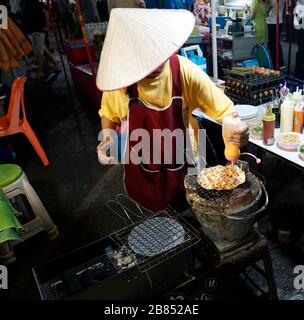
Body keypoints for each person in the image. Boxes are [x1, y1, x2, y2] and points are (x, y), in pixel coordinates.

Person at [96, 9, 249, 212]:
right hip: (143, 166)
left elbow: (225, 110)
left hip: (185, 161)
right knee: (152, 221)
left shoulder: (184, 71)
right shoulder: (123, 82)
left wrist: (236, 127)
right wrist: (107, 139)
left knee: (191, 215)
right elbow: (108, 113)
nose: (157, 62)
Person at [22, 0, 61, 79]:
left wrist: (47, 26)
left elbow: (45, 12)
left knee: (38, 53)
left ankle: (40, 72)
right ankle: (56, 65)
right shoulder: (28, 3)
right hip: (35, 30)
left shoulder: (33, 2)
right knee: (44, 50)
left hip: (38, 30)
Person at [267, 0, 285, 68]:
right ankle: (280, 63)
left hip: (275, 22)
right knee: (274, 43)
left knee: (273, 44)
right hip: (272, 21)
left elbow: (269, 7)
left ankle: (277, 64)